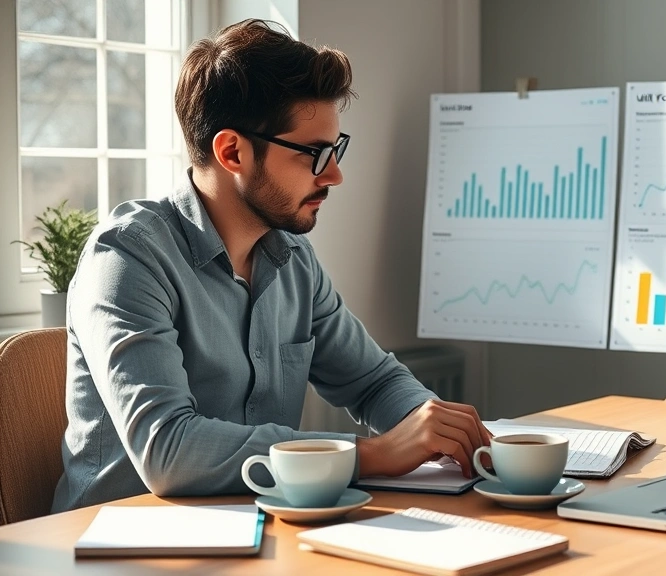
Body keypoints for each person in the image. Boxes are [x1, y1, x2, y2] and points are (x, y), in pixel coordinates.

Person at [51, 19, 489, 513]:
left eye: (336, 150)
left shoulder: (292, 257)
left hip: (259, 531)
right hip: (120, 548)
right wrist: (369, 455)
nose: (336, 175)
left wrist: (437, 428)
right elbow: (168, 450)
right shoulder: (127, 257)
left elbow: (373, 382)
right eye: (315, 154)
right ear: (232, 151)